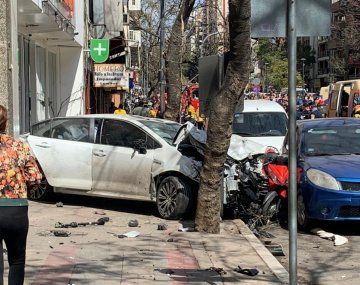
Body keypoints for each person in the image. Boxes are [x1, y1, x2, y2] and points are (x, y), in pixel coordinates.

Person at [0, 105, 41, 285]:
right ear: (5, 123)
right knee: (16, 260)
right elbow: (35, 177)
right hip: (15, 210)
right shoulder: (19, 146)